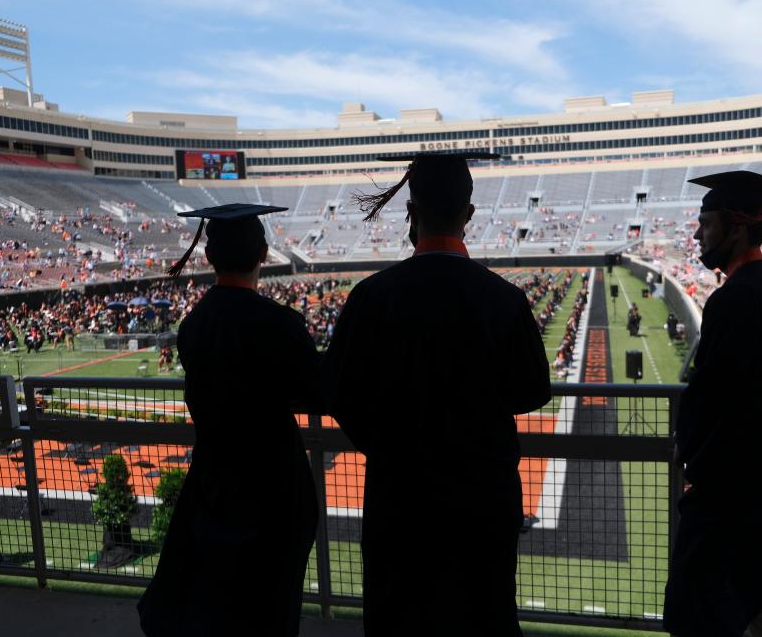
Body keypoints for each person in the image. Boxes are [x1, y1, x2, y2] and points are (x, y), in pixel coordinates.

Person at [323, 152, 551, 636]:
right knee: (483, 616)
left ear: (412, 212)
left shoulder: (371, 296)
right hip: (482, 498)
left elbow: (338, 394)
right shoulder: (504, 299)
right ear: (469, 215)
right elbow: (533, 390)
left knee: (397, 617)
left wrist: (384, 443)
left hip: (399, 496)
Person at [138, 203, 320, 637]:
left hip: (214, 481)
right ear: (263, 254)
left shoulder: (193, 326)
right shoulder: (280, 324)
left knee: (220, 601)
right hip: (275, 486)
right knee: (272, 605)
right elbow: (314, 391)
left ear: (207, 257)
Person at [665, 171, 762, 637]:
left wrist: (695, 466)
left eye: (705, 223)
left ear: (738, 227)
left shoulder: (735, 299)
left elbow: (719, 399)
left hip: (726, 491)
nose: (697, 233)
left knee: (701, 608)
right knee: (759, 595)